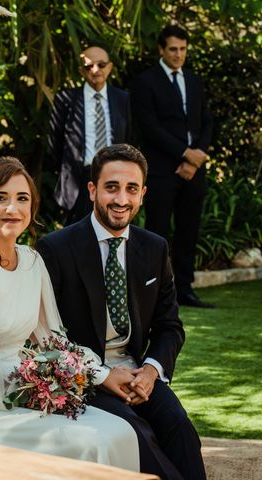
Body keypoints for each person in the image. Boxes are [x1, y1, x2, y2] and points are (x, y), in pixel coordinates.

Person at [0, 157, 140, 471]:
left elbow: (54, 340)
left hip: (26, 390)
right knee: (95, 441)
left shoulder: (32, 261)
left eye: (22, 199)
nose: (12, 208)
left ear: (32, 208)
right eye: (0, 198)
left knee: (122, 431)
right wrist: (39, 392)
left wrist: (98, 375)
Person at [36, 144, 206, 479]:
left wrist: (151, 372)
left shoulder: (154, 247)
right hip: (86, 378)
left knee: (181, 429)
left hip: (139, 374)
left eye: (131, 189)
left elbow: (170, 326)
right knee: (137, 437)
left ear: (143, 194)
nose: (121, 199)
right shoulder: (55, 249)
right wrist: (102, 375)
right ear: (92, 190)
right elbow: (49, 337)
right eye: (111, 187)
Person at [131, 25, 214, 308]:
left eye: (183, 49)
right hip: (162, 169)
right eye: (173, 49)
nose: (179, 55)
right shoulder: (146, 81)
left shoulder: (194, 80)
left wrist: (197, 156)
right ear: (161, 50)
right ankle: (153, 292)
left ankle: (185, 289)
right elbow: (150, 127)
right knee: (157, 231)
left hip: (194, 170)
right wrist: (185, 154)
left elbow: (206, 121)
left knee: (189, 229)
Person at [48, 46, 131, 224]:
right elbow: (55, 142)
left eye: (101, 65)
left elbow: (129, 138)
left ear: (109, 67)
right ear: (81, 71)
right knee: (74, 238)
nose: (95, 70)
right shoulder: (65, 99)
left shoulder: (123, 99)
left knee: (109, 232)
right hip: (78, 179)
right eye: (89, 66)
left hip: (113, 177)